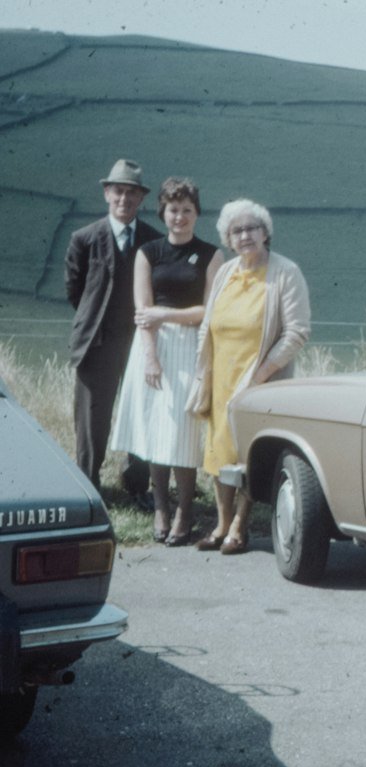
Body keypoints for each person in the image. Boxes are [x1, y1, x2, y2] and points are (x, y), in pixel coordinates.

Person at [191, 199, 310, 555]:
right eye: (236, 230)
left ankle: (240, 527)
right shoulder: (227, 272)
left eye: (251, 228)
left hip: (259, 379)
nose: (245, 235)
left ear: (265, 232)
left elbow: (297, 332)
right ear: (228, 238)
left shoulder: (286, 272)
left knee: (247, 453)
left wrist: (261, 375)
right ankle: (222, 522)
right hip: (221, 376)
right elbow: (207, 326)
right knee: (218, 453)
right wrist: (204, 374)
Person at [110, 178, 223, 545]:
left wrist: (166, 316)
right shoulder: (148, 252)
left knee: (183, 434)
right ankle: (160, 507)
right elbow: (143, 311)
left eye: (187, 210)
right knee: (156, 432)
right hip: (152, 347)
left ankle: (185, 511)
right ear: (163, 212)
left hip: (192, 348)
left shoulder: (211, 255)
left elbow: (209, 311)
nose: (180, 217)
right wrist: (151, 358)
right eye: (173, 210)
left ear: (196, 214)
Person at [65, 159, 162, 494]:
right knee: (92, 420)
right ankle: (88, 486)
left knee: (141, 413)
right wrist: (97, 323)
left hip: (141, 343)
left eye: (131, 193)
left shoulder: (153, 241)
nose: (124, 199)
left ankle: (136, 486)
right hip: (97, 342)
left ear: (142, 198)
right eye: (118, 191)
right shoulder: (84, 238)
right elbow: (75, 291)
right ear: (107, 193)